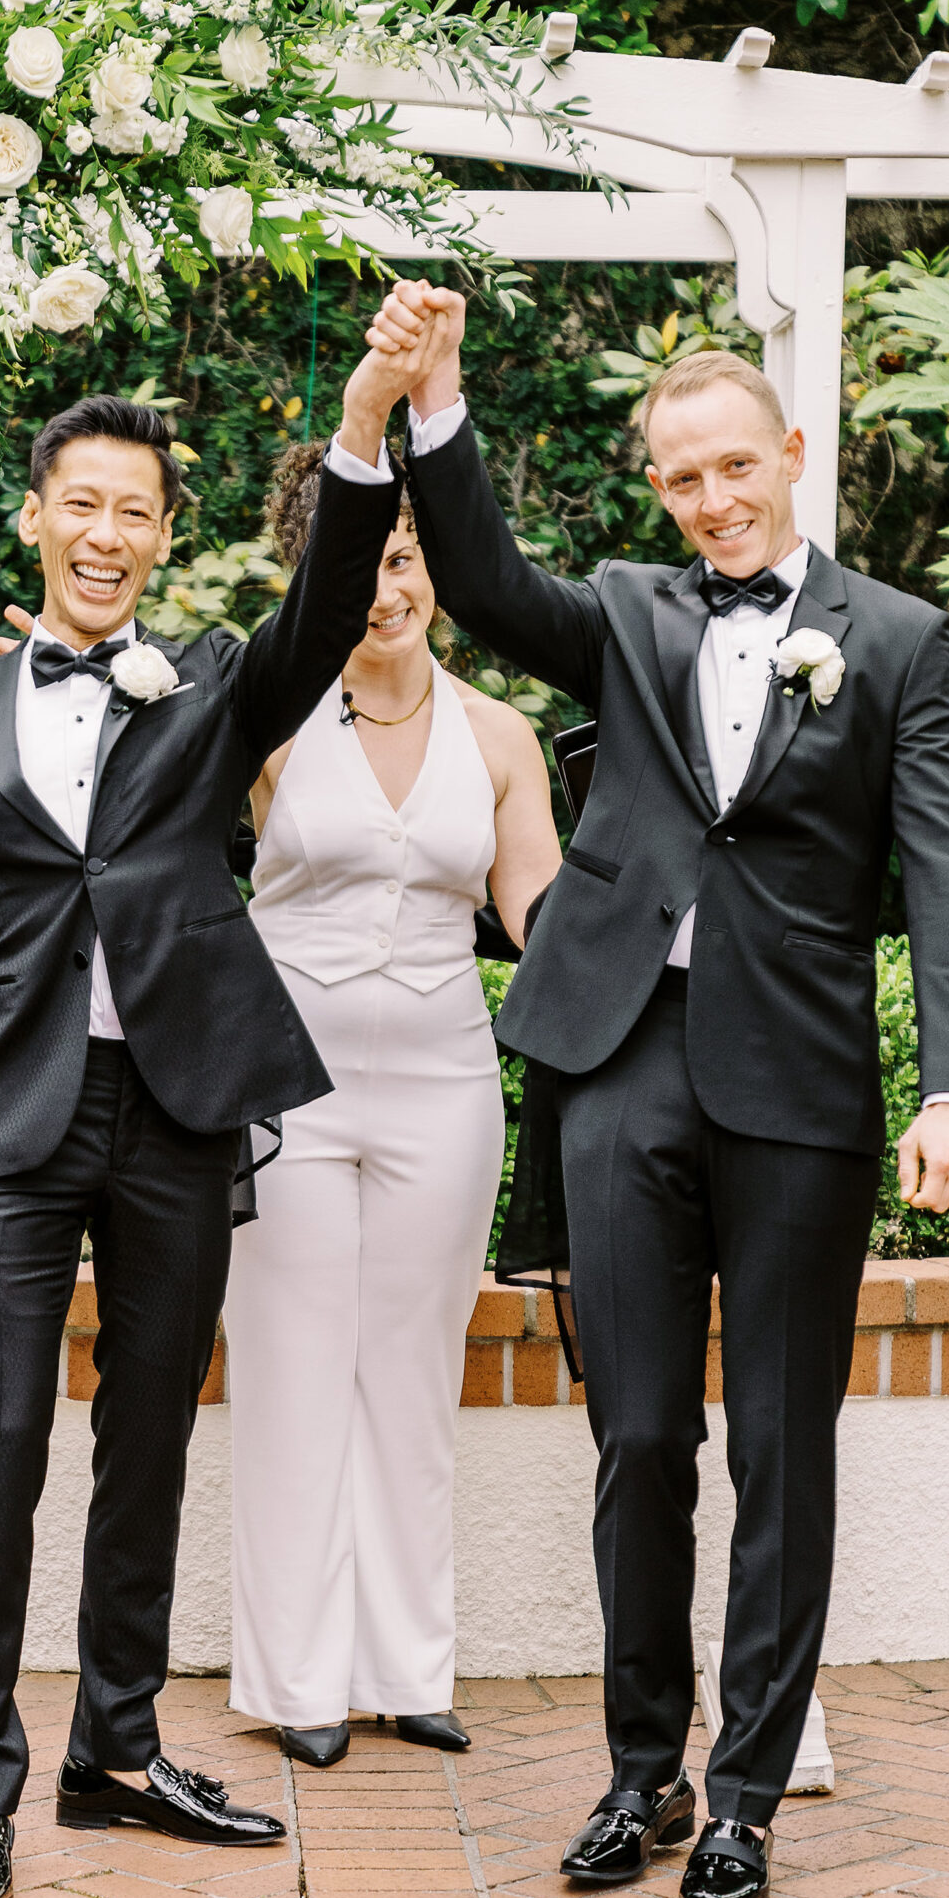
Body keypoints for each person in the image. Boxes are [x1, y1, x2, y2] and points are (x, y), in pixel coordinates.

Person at [363, 282, 949, 1898]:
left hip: (797, 1082)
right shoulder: (634, 614)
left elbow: (944, 878)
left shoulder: (900, 641)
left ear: (792, 455)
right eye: (680, 479)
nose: (712, 502)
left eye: (735, 468)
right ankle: (641, 1771)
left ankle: (746, 1800)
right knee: (638, 1435)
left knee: (785, 1450)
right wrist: (433, 404)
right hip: (616, 1058)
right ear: (656, 488)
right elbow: (493, 585)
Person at [0, 329, 439, 1898]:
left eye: (138, 511)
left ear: (163, 536)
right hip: (5, 1125)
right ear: (39, 518)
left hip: (183, 1109)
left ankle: (115, 1753)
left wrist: (354, 423)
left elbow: (330, 608)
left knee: (145, 1443)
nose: (109, 534)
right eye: (84, 504)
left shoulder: (207, 691)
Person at [220, 438, 561, 1768]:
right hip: (287, 1084)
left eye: (406, 558)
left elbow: (531, 903)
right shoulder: (265, 720)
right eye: (358, 563)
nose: (386, 588)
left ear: (437, 571)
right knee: (294, 1366)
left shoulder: (500, 733)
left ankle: (412, 1667)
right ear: (316, 574)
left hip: (445, 1080)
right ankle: (298, 1679)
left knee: (415, 1369)